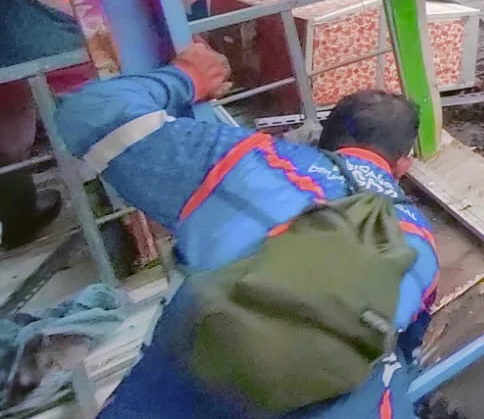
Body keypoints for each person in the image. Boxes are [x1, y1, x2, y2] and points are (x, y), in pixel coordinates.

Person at [51, 42, 438, 417]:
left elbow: (87, 113)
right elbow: (407, 352)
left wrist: (185, 77)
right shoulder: (421, 242)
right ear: (402, 166)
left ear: (322, 136)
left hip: (188, 380)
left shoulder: (250, 160)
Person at [0, 0, 92, 249]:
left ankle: (18, 218)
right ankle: (120, 215)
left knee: (8, 126)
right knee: (101, 101)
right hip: (42, 5)